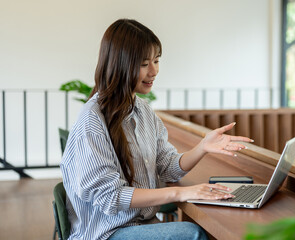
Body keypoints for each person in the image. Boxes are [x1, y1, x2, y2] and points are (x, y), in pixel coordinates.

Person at [60, 19, 253, 240]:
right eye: (144, 64)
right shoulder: (92, 120)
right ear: (120, 64)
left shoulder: (143, 111)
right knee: (192, 234)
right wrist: (181, 192)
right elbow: (110, 197)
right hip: (107, 233)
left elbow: (168, 167)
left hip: (141, 225)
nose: (154, 71)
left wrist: (202, 147)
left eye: (156, 61)